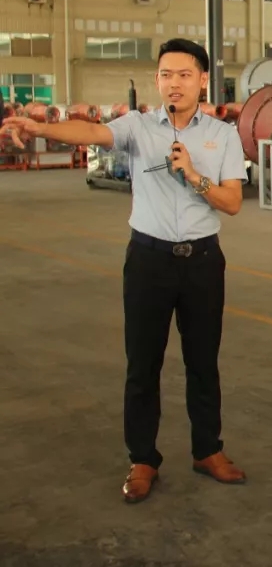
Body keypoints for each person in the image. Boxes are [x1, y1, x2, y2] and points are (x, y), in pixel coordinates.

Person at [2, 38, 248, 503]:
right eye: (166, 75)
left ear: (202, 81)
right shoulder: (138, 125)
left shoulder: (223, 135)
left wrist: (194, 176)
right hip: (148, 261)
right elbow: (90, 132)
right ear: (157, 80)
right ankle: (143, 459)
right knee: (143, 363)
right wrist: (40, 127)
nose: (173, 83)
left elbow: (233, 202)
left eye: (184, 75)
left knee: (203, 362)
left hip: (202, 262)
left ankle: (208, 450)